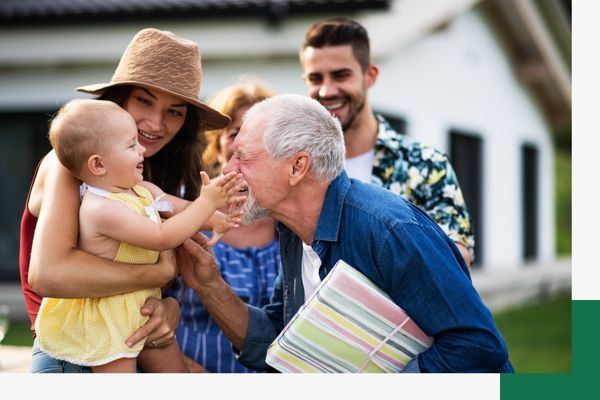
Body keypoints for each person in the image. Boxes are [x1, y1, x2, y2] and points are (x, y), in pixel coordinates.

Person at [177, 94, 515, 373]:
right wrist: (209, 285)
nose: (229, 169)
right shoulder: (293, 231)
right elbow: (280, 343)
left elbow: (478, 347)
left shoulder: (389, 231)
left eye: (243, 157)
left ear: (298, 167)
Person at [19, 27, 231, 373]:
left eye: (175, 112)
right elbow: (49, 274)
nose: (155, 124)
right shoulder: (70, 164)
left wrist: (170, 308)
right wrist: (158, 272)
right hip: (76, 352)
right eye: (144, 101)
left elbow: (172, 278)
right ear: (118, 99)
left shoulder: (154, 172)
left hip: (134, 339)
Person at [299, 18, 475, 266]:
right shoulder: (296, 168)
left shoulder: (426, 164)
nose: (327, 91)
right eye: (316, 79)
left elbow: (456, 260)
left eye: (340, 75)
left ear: (370, 76)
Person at [167, 77, 281, 373]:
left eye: (261, 135)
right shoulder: (185, 213)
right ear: (217, 145)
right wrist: (182, 370)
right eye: (235, 133)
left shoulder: (291, 225)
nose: (247, 145)